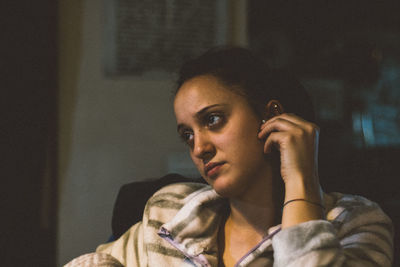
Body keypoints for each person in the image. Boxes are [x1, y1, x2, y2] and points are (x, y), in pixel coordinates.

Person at [65, 47, 393, 267]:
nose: (199, 148)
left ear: (272, 116)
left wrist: (301, 178)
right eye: (187, 135)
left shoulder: (356, 223)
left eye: (213, 120)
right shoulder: (172, 211)